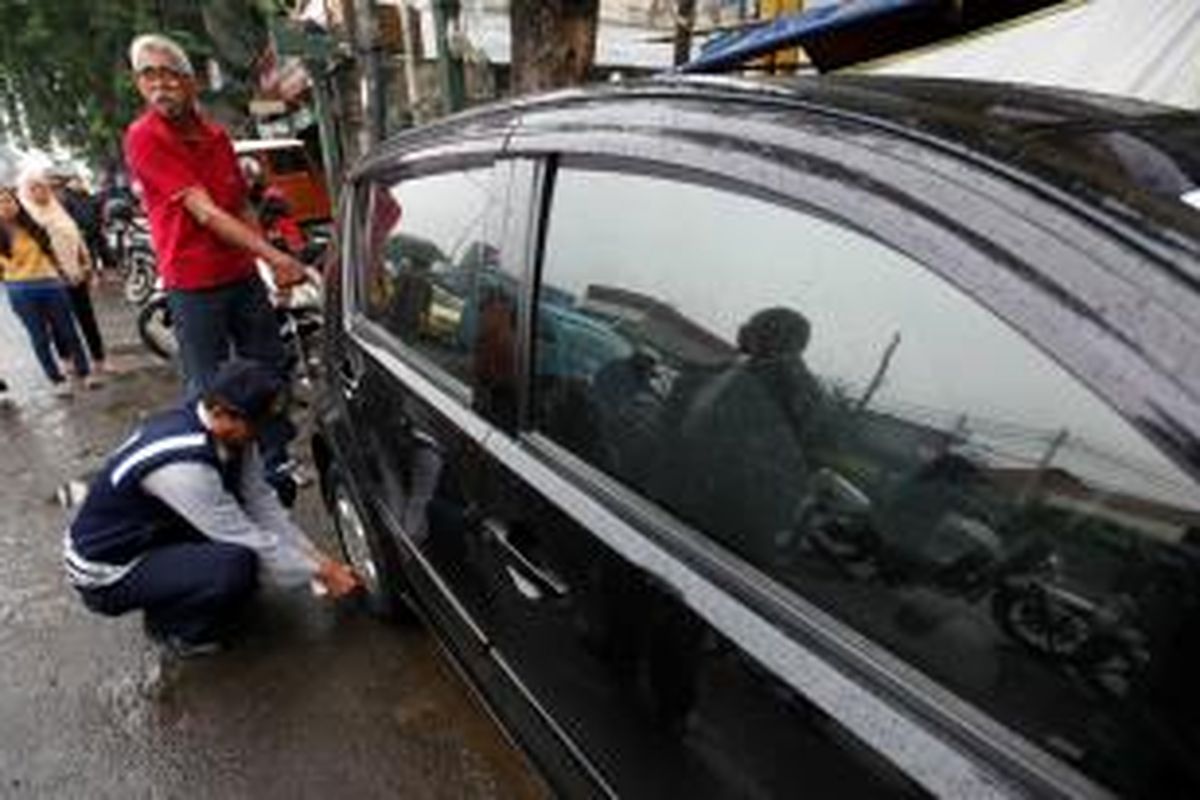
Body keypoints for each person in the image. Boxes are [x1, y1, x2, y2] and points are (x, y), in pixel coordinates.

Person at [64, 359, 360, 657]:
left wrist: (317, 559)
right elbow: (243, 537)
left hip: (158, 527)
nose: (259, 436)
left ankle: (183, 584)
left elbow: (261, 502)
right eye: (255, 426)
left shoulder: (229, 428)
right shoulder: (184, 467)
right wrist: (320, 572)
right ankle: (173, 627)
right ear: (220, 413)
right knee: (234, 565)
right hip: (109, 567)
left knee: (280, 486)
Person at [123, 33, 307, 500]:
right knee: (207, 384)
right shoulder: (145, 137)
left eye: (169, 74)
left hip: (241, 274)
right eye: (149, 75)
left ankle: (274, 457)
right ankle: (208, 471)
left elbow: (240, 205)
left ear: (190, 82)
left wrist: (269, 263)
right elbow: (204, 211)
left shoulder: (217, 136)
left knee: (267, 367)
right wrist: (274, 256)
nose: (160, 85)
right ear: (138, 83)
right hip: (193, 281)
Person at [0, 187, 93, 394]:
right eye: (0, 203)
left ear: (17, 203)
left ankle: (85, 372)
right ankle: (57, 380)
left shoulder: (34, 227)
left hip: (50, 284)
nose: (5, 206)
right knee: (39, 337)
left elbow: (52, 254)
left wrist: (66, 272)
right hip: (20, 290)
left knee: (68, 330)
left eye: (9, 201)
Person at [18, 165, 108, 374]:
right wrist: (58, 272)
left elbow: (76, 238)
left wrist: (88, 265)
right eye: (34, 188)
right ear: (26, 191)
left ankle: (99, 359)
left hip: (76, 273)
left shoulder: (59, 209)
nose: (40, 192)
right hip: (50, 278)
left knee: (87, 319)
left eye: (43, 187)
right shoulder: (28, 217)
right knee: (59, 323)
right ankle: (67, 361)